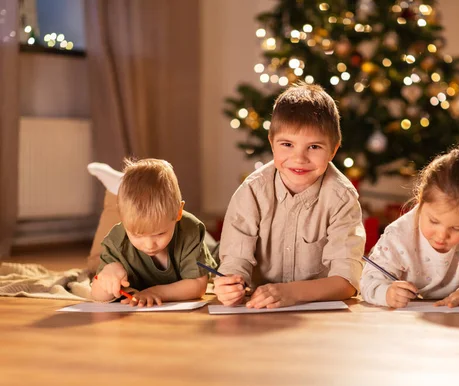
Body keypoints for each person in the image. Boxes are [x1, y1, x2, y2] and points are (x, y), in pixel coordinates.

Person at [215, 83, 366, 309]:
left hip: (321, 317)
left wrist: (291, 293)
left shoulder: (341, 197)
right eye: (287, 144)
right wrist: (230, 286)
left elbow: (346, 282)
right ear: (272, 144)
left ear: (333, 150)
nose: (299, 158)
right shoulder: (252, 191)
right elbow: (235, 261)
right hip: (259, 310)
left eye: (314, 147)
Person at [360, 144, 459, 308]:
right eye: (433, 221)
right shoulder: (399, 235)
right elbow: (369, 280)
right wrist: (387, 293)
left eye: (457, 228)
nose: (441, 235)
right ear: (420, 199)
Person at [91, 158, 216, 306]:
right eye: (138, 235)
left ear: (178, 212)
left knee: (220, 254)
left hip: (204, 245)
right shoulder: (116, 241)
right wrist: (107, 276)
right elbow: (96, 294)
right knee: (93, 263)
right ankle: (115, 189)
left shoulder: (190, 230)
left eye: (159, 234)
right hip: (124, 225)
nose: (149, 245)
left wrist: (156, 292)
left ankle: (117, 187)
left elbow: (198, 286)